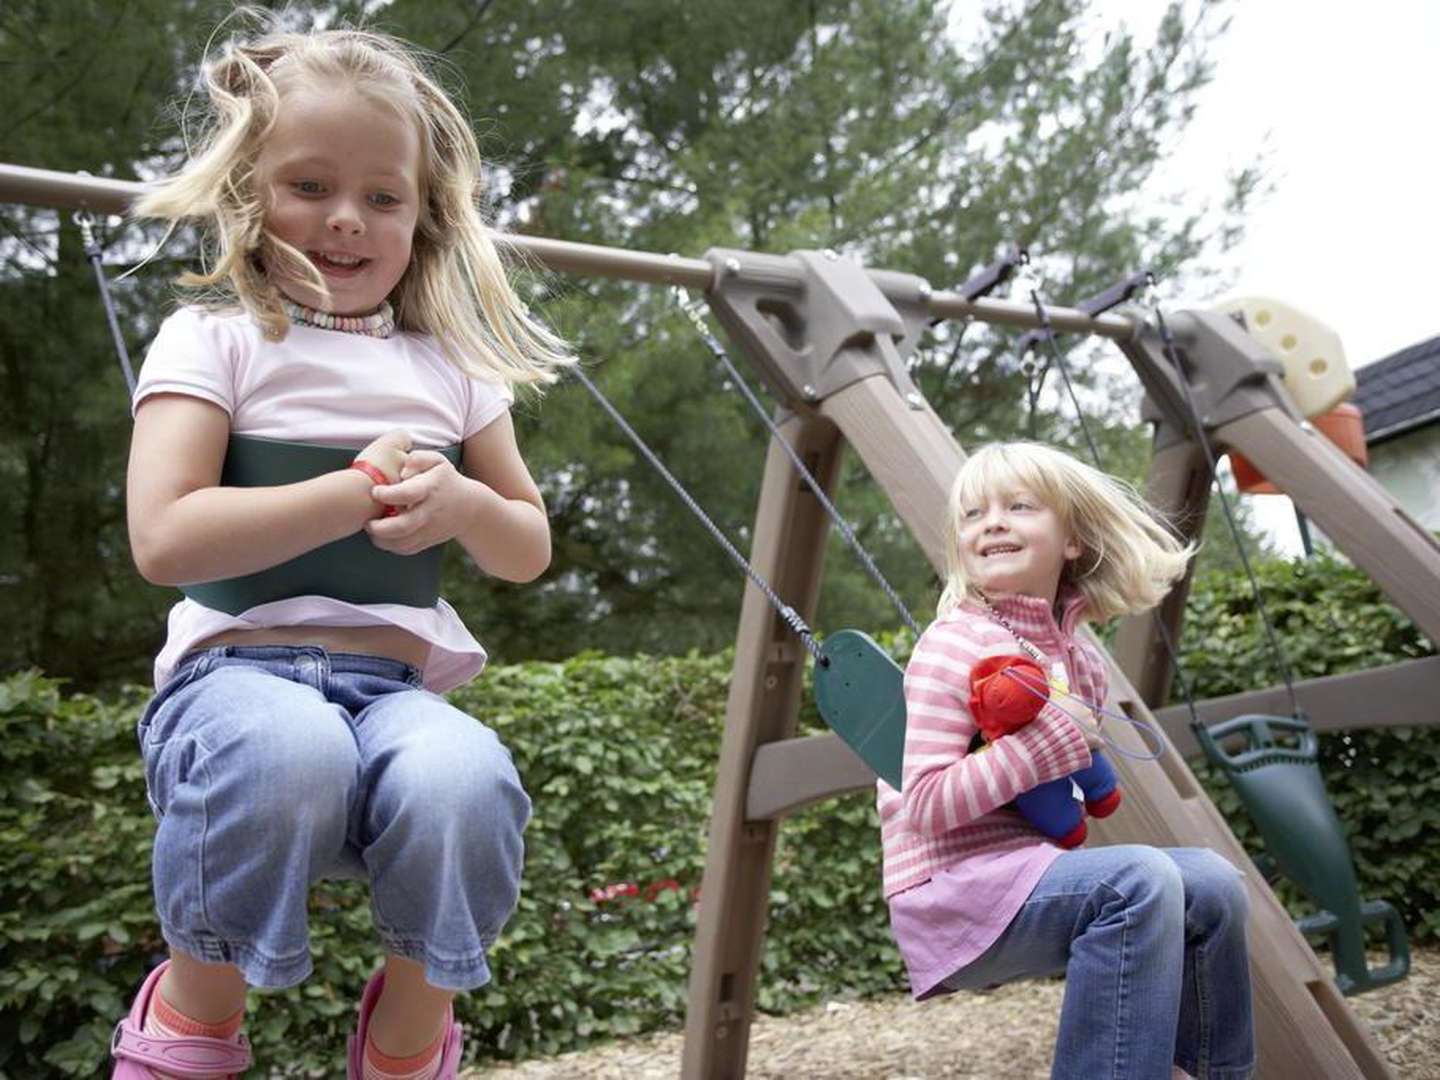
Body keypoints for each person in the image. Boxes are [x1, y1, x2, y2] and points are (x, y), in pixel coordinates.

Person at [113, 20, 573, 1080]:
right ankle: (194, 1027)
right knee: (287, 753)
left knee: (468, 780)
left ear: (425, 214)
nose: (347, 221)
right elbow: (164, 537)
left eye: (382, 197)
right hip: (232, 681)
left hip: (395, 692)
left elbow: (527, 547)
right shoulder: (217, 338)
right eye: (309, 186)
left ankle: (406, 1044)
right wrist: (351, 490)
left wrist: (460, 500)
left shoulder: (453, 368)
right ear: (248, 195)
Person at [880, 442, 1255, 1080]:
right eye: (972, 515)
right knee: (1136, 881)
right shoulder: (953, 644)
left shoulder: (1079, 659)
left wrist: (1066, 768)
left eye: (1018, 506)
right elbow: (925, 805)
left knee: (1213, 882)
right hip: (950, 888)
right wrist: (1042, 747)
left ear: (1073, 540)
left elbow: (1063, 795)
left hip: (1026, 873)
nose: (991, 522)